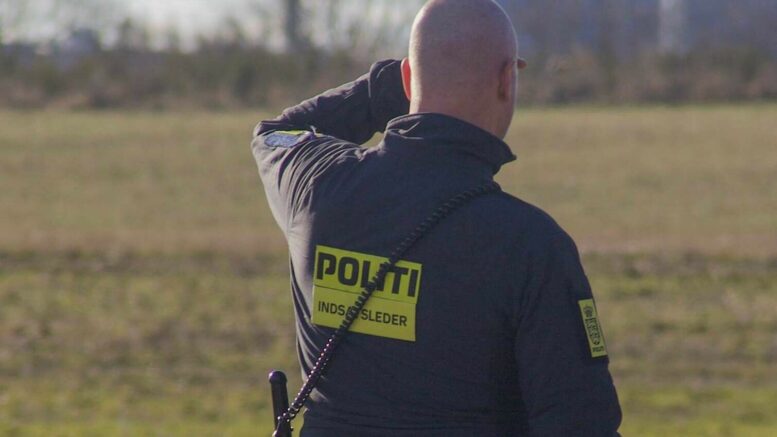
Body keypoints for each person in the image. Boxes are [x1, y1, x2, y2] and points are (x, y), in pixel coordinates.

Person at [251, 0, 622, 435]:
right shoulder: (531, 246)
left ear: (409, 78)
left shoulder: (317, 187)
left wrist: (390, 86)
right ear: (507, 80)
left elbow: (276, 134)